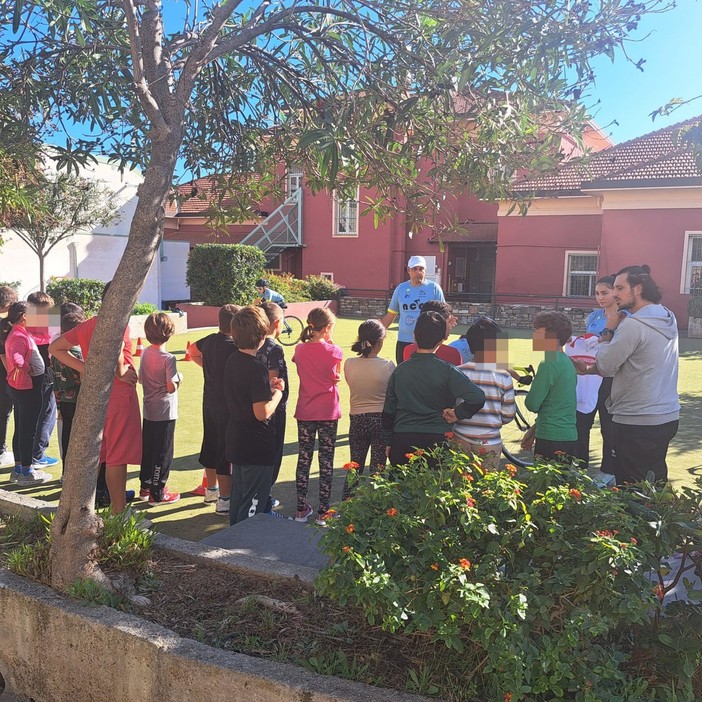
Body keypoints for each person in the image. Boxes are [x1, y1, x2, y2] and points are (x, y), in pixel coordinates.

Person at [575, 265, 679, 484]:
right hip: (666, 415)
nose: (614, 294)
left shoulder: (632, 324)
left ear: (638, 289)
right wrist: (591, 369)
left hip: (636, 419)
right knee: (654, 484)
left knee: (631, 488)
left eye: (619, 288)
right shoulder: (667, 316)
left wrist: (608, 332)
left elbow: (606, 365)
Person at [49, 282, 141, 514]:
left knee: (101, 454)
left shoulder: (88, 325)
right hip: (118, 394)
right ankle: (118, 512)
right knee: (116, 455)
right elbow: (116, 347)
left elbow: (55, 348)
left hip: (95, 393)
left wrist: (86, 368)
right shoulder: (118, 323)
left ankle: (91, 509)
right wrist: (120, 371)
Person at [382, 310, 485, 466]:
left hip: (403, 437)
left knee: (401, 481)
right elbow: (477, 397)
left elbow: (389, 410)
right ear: (442, 339)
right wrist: (458, 413)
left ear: (415, 336)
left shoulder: (400, 370)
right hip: (437, 440)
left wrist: (388, 441)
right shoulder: (447, 370)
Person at [223, 306, 285, 525]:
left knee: (239, 499)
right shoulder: (257, 367)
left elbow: (245, 393)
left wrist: (267, 388)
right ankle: (243, 544)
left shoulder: (232, 360)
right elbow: (262, 413)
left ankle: (233, 541)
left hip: (237, 441)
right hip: (255, 447)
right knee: (252, 508)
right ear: (261, 335)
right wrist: (278, 394)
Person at [292, 307, 343, 525]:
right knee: (326, 461)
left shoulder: (300, 349)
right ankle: (323, 512)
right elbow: (335, 375)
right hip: (328, 411)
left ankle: (301, 509)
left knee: (304, 459)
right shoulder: (334, 351)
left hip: (306, 410)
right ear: (328, 327)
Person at [564, 274, 620, 471]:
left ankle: (607, 471)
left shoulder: (625, 317)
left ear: (616, 292)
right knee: (582, 423)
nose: (600, 297)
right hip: (588, 377)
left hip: (611, 379)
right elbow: (588, 343)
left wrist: (605, 340)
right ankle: (580, 468)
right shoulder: (594, 316)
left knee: (609, 427)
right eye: (597, 293)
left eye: (604, 293)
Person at [188, 304, 240, 513]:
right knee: (225, 450)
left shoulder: (209, 341)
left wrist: (207, 366)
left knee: (210, 443)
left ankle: (211, 489)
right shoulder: (235, 347)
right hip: (226, 406)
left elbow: (192, 351)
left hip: (209, 402)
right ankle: (225, 499)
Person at [453, 317, 515, 470]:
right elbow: (508, 415)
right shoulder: (503, 376)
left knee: (459, 481)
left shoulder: (458, 372)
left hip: (460, 437)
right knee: (487, 482)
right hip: (489, 441)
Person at [1, 301, 52, 484]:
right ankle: (26, 472)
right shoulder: (18, 335)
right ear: (24, 316)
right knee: (28, 430)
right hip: (27, 388)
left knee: (22, 428)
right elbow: (17, 360)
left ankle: (19, 469)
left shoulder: (20, 333)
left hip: (21, 387)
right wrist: (29, 369)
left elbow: (42, 338)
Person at [343, 319, 395, 499]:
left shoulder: (349, 363)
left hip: (357, 419)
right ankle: (376, 505)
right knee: (377, 469)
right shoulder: (388, 366)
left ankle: (347, 502)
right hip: (380, 419)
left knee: (354, 466)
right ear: (379, 342)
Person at [138, 313, 182, 506]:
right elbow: (171, 387)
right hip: (165, 411)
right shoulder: (168, 358)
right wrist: (179, 379)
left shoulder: (145, 353)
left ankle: (145, 487)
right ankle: (158, 492)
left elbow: (141, 378)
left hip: (149, 409)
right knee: (163, 451)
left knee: (148, 449)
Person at [522, 311, 577, 461]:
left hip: (550, 436)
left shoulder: (549, 363)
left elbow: (532, 404)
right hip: (567, 434)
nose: (533, 335)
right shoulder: (566, 361)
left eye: (538, 332)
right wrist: (533, 430)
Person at [381, 255, 445, 365]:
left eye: (421, 269)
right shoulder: (400, 289)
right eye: (415, 269)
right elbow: (391, 315)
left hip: (428, 343)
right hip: (404, 341)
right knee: (403, 372)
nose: (418, 272)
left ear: (425, 270)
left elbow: (444, 315)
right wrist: (377, 332)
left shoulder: (434, 288)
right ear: (408, 270)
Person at [256, 301, 289, 512]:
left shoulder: (253, 344)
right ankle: (264, 503)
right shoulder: (273, 348)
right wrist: (278, 392)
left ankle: (260, 499)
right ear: (276, 323)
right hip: (272, 411)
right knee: (272, 455)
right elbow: (273, 382)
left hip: (257, 408)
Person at [26, 291, 59, 469]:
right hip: (44, 375)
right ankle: (37, 455)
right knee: (46, 413)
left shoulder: (23, 324)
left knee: (34, 414)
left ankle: (30, 454)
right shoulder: (49, 325)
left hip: (29, 375)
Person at [51, 310, 86, 477]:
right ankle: (76, 476)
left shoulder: (55, 353)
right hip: (78, 401)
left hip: (64, 401)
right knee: (78, 440)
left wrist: (58, 406)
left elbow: (56, 382)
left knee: (66, 438)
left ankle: (65, 474)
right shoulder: (77, 353)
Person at [400, 300, 462, 364]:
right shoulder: (452, 353)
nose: (450, 325)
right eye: (449, 322)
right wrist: (445, 334)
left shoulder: (408, 350)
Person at [0, 285, 19, 469]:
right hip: (4, 376)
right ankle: (1, 450)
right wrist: (12, 375)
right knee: (3, 411)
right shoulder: (5, 325)